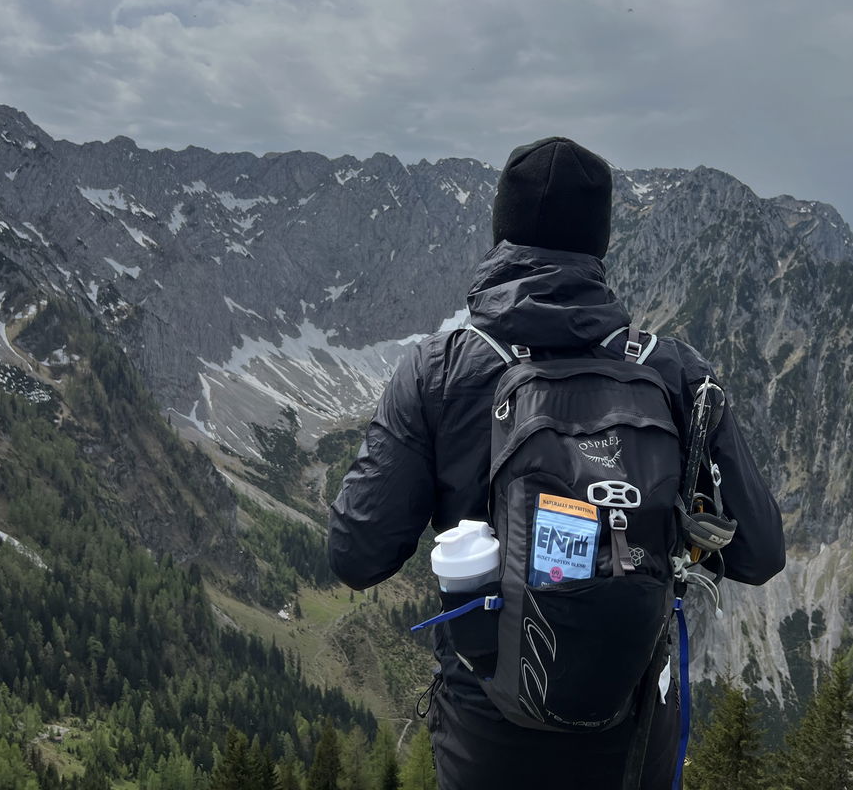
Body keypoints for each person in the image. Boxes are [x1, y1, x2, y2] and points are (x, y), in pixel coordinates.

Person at [329, 136, 785, 789]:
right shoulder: (672, 371)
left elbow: (357, 554)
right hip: (630, 739)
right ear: (599, 245)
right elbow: (760, 554)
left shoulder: (440, 370)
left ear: (500, 233)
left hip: (488, 739)